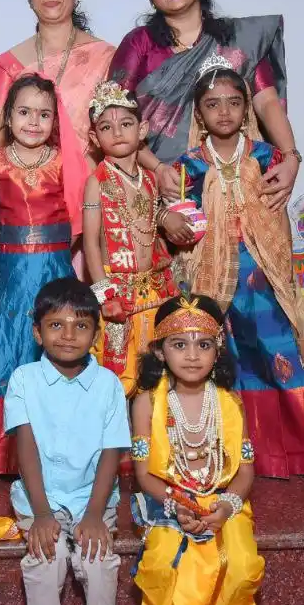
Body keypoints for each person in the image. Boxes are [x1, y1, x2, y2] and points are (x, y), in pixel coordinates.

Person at [174, 60, 304, 478]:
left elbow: (277, 218)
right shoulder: (190, 164)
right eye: (212, 104)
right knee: (225, 361)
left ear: (247, 109)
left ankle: (293, 454)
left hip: (263, 277)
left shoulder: (267, 156)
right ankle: (231, 457)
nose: (223, 112)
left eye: (233, 102)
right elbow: (179, 218)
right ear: (199, 114)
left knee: (276, 353)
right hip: (214, 278)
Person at [5, 277, 130, 605]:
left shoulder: (109, 384)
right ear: (37, 331)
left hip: (91, 496)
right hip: (39, 495)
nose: (68, 335)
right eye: (56, 325)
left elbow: (112, 452)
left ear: (96, 333)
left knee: (99, 558)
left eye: (80, 325)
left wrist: (95, 514)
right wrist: (41, 513)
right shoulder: (24, 379)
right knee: (48, 553)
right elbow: (26, 450)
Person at [108, 0, 301, 209]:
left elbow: (266, 102)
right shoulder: (140, 44)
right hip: (166, 185)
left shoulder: (238, 40)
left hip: (237, 184)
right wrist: (159, 168)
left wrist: (290, 157)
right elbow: (115, 115)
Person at [129, 294, 264, 605]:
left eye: (203, 344)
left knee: (239, 561)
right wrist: (179, 505)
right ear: (159, 352)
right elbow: (144, 475)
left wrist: (226, 508)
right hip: (167, 500)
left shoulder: (230, 403)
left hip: (223, 500)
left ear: (218, 351)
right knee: (164, 558)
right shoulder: (146, 404)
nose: (192, 355)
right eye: (179, 344)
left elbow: (245, 472)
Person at [0, 74, 71, 475]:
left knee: (56, 347)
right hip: (10, 271)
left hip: (55, 267)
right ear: (7, 118)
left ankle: (57, 453)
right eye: (24, 112)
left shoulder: (67, 162)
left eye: (44, 114)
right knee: (6, 348)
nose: (34, 122)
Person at [0, 0, 114, 240]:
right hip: (30, 207)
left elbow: (116, 133)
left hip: (97, 197)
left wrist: (87, 191)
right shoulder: (7, 64)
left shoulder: (106, 57)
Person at [83, 81, 180, 396]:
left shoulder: (151, 178)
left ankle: (151, 441)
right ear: (94, 137)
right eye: (106, 127)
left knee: (157, 370)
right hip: (118, 294)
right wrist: (104, 296)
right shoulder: (96, 182)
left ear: (143, 129)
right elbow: (90, 244)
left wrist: (169, 218)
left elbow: (150, 219)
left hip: (155, 289)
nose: (118, 132)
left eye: (126, 124)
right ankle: (115, 443)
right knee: (118, 374)